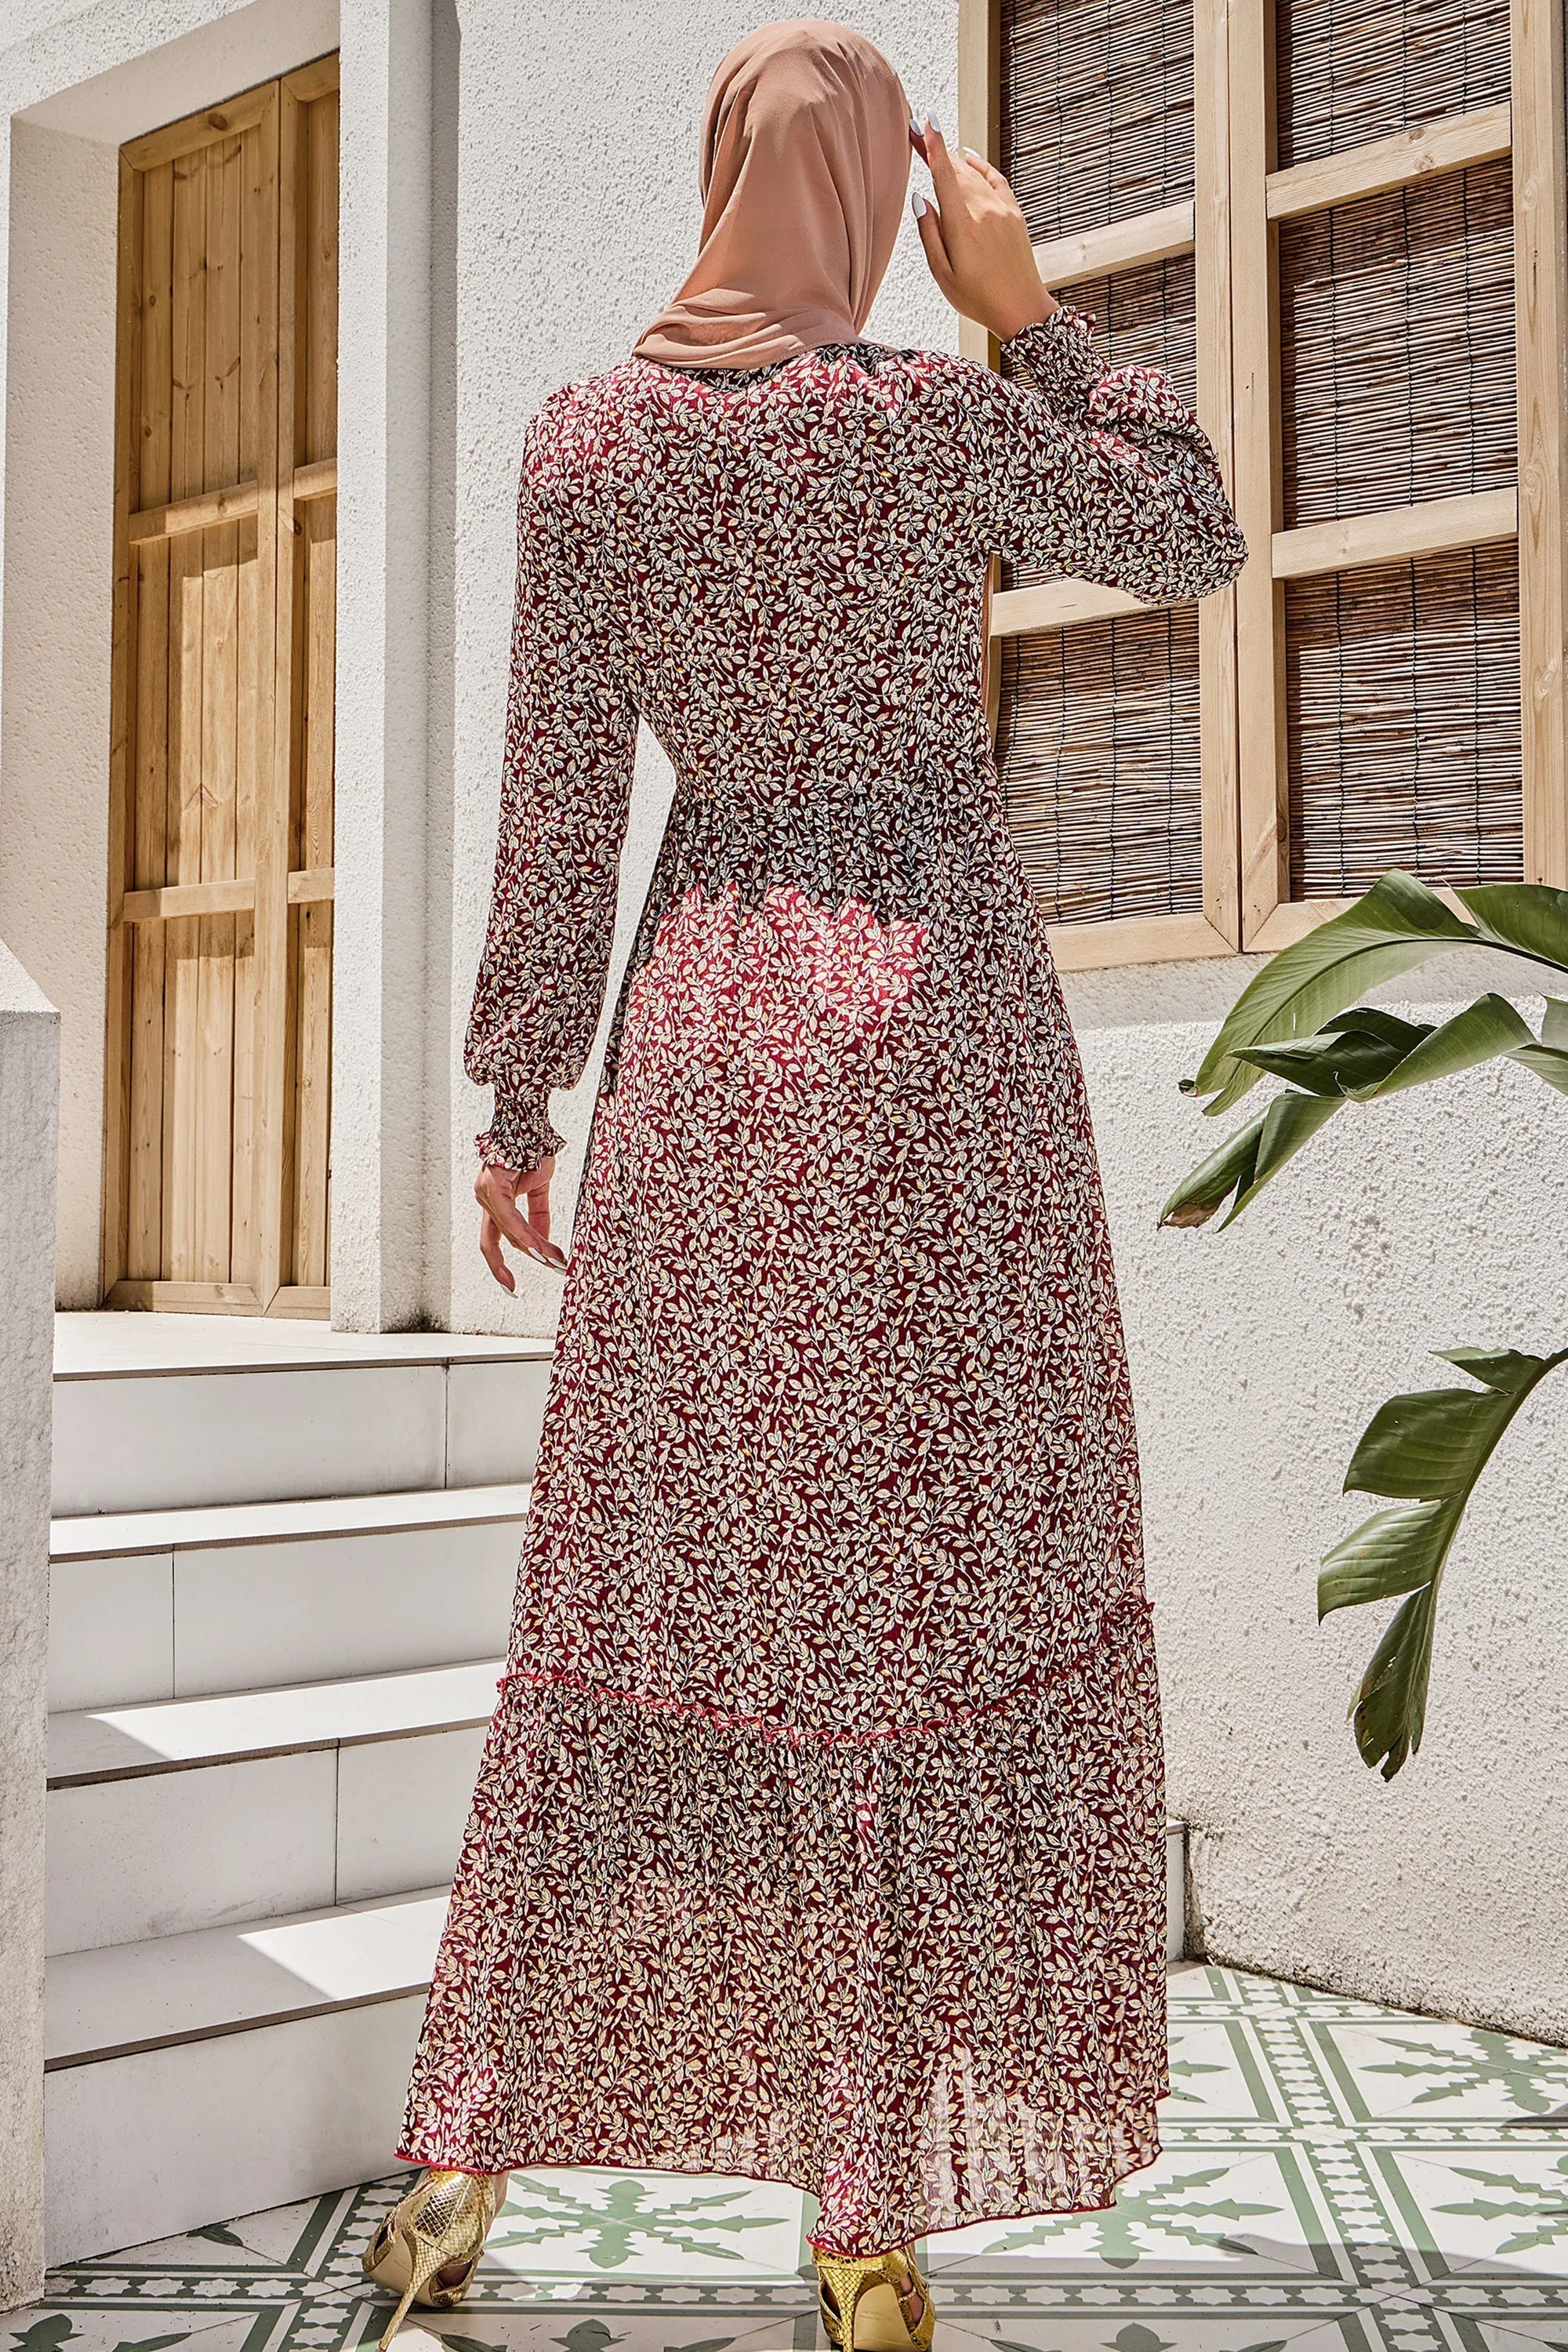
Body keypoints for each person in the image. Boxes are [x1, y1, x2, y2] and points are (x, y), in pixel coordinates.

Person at [360, 20, 1247, 2352]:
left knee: (647, 1573)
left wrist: (513, 1097)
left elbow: (561, 810)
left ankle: (459, 2162)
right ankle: (864, 2217)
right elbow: (1188, 530)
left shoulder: (588, 448)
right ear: (872, 195)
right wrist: (1028, 301)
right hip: (936, 1039)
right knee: (917, 1586)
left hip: (709, 1048)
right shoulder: (916, 418)